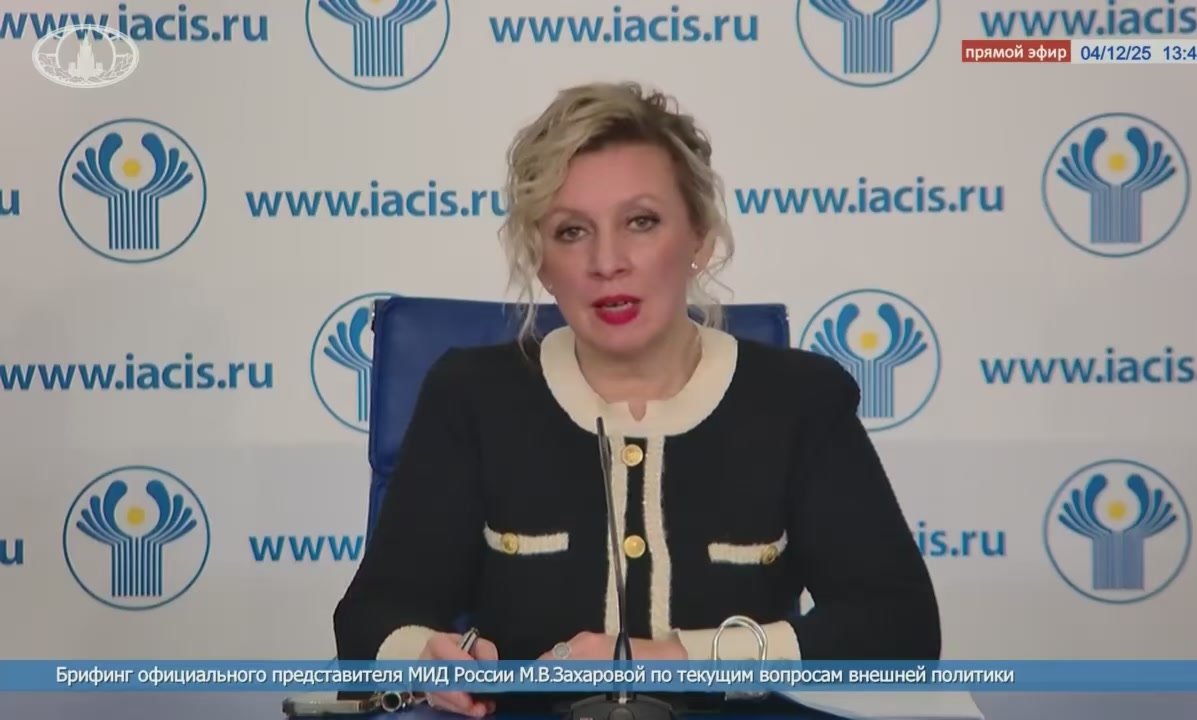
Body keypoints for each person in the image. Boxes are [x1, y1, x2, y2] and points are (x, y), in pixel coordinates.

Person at [333, 81, 941, 716]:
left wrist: (676, 659)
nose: (607, 261)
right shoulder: (471, 394)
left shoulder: (802, 400)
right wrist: (423, 654)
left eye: (641, 222)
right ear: (541, 260)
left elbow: (899, 628)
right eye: (571, 231)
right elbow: (372, 616)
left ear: (699, 237)